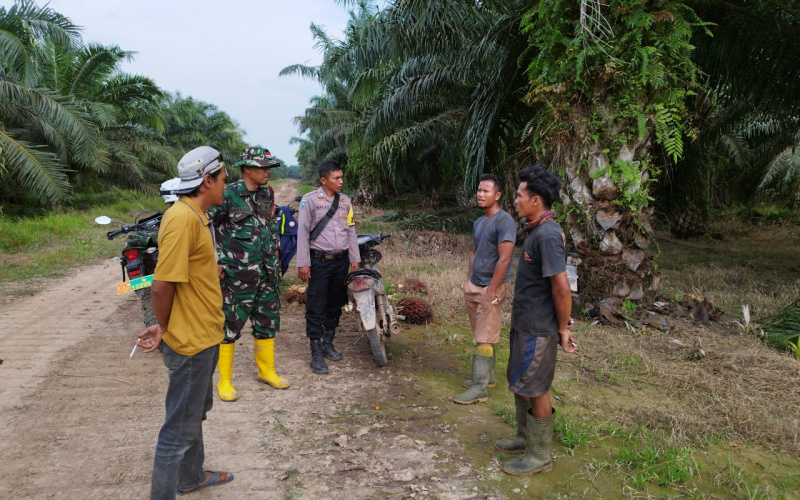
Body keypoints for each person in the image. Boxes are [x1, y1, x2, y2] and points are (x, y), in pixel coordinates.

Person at [135, 146, 234, 498]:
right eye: (223, 179)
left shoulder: (197, 215)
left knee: (194, 415)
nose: (226, 185)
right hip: (190, 343)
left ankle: (191, 476)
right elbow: (161, 285)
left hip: (204, 336)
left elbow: (188, 268)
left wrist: (209, 270)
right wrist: (163, 327)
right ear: (207, 181)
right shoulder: (181, 219)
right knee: (177, 431)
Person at [495, 163, 578, 476]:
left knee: (536, 387)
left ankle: (539, 455)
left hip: (539, 330)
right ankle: (524, 437)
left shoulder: (548, 235)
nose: (515, 200)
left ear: (536, 200)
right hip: (524, 324)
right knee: (521, 382)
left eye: (519, 196)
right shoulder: (534, 230)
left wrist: (562, 328)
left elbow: (562, 288)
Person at [209, 146, 288, 402]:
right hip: (237, 276)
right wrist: (213, 261)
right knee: (229, 326)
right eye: (262, 167)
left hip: (266, 273)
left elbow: (269, 225)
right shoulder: (227, 195)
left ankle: (267, 371)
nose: (268, 171)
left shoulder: (267, 194)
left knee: (267, 323)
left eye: (269, 167)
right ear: (246, 169)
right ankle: (225, 381)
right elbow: (204, 227)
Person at [453, 173, 516, 405]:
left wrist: (493, 288)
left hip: (491, 287)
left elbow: (505, 258)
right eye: (479, 190)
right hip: (475, 285)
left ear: (497, 195)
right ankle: (487, 378)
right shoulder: (479, 222)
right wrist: (469, 279)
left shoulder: (504, 221)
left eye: (485, 191)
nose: (480, 194)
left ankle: (479, 389)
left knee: (484, 337)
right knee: (483, 334)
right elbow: (474, 251)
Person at [296, 161, 360, 374]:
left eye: (342, 177)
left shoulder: (345, 201)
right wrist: (303, 262)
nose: (341, 181)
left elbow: (351, 230)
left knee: (335, 302)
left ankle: (327, 343)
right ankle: (315, 352)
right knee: (316, 304)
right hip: (319, 262)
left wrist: (355, 258)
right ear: (324, 180)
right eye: (336, 178)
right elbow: (303, 232)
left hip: (341, 262)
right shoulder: (310, 201)